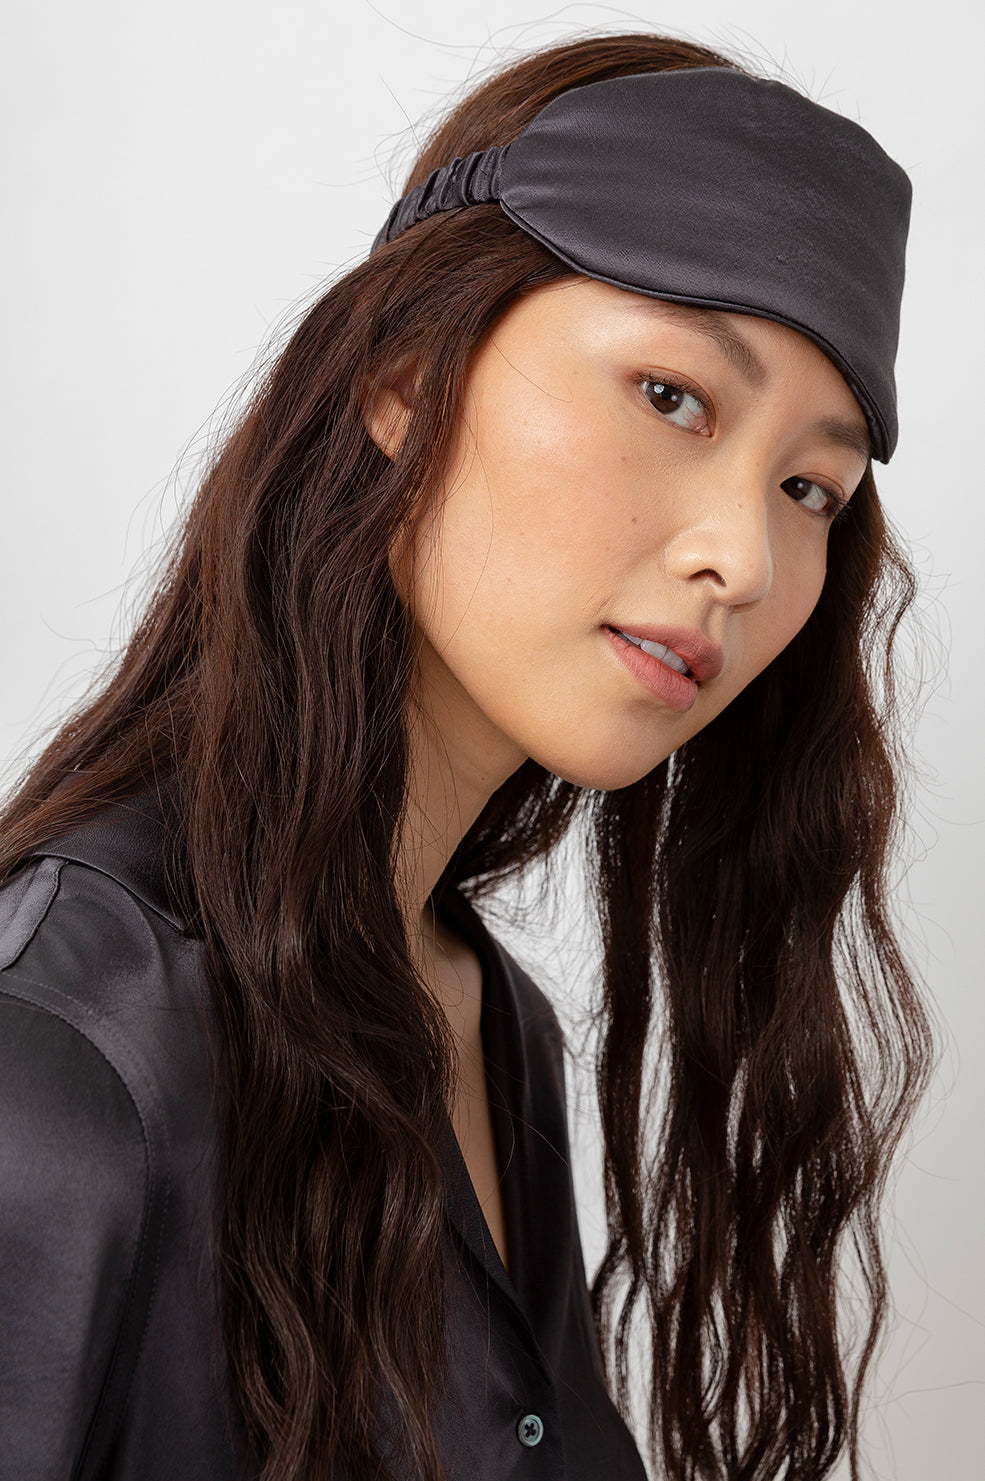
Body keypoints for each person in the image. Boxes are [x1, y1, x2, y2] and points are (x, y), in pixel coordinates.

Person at [0, 30, 932, 1481]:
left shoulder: (497, 1032)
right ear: (405, 374)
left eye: (811, 487)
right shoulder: (65, 1052)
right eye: (672, 396)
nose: (744, 558)